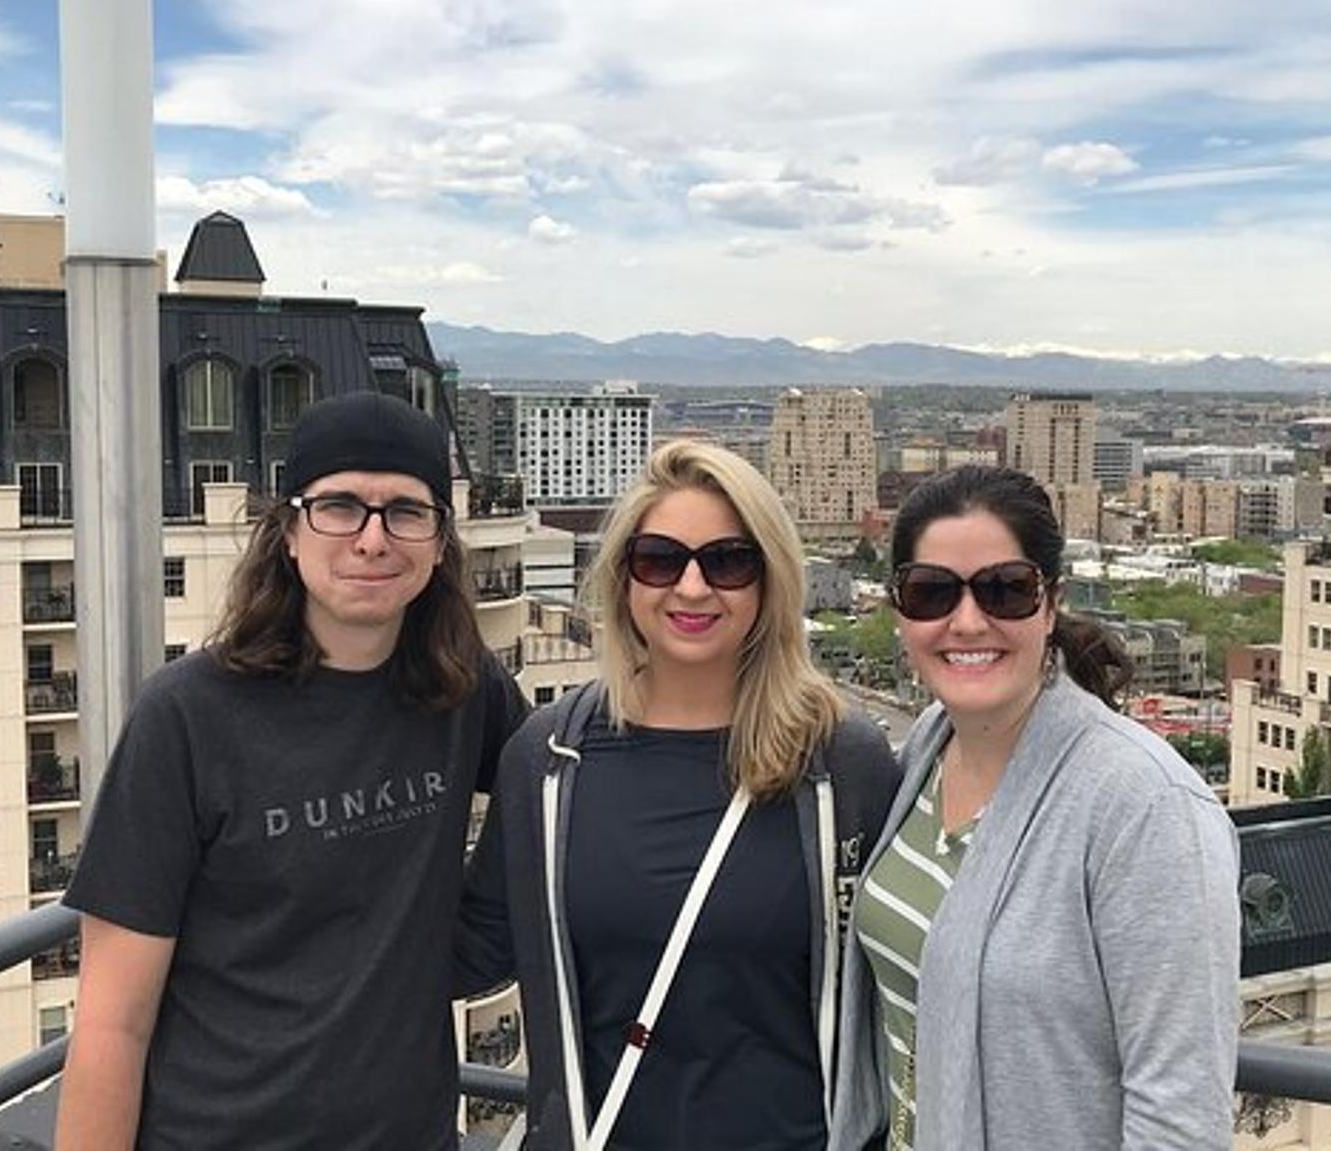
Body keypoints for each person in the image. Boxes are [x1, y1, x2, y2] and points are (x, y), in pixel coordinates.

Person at [56, 391, 527, 1151]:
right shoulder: (188, 716)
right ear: (288, 532)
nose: (372, 539)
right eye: (339, 506)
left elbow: (562, 789)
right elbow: (114, 1018)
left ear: (440, 542)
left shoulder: (463, 689)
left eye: (405, 510)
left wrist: (470, 943)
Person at [461, 440, 899, 1151]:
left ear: (770, 580)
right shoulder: (548, 762)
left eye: (728, 561)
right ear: (624, 578)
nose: (692, 589)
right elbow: (470, 945)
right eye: (660, 559)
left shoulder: (841, 764)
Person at [830, 465, 1239, 1151]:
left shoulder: (1144, 807)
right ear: (899, 611)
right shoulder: (928, 747)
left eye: (1005, 590)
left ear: (1050, 604)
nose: (966, 621)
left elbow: (1180, 1115)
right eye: (931, 592)